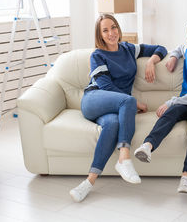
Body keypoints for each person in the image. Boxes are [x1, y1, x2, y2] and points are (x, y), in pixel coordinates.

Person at [70, 14, 167, 202]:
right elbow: (105, 86)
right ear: (99, 35)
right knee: (128, 101)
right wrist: (135, 103)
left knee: (113, 124)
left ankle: (88, 182)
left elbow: (160, 48)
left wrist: (150, 61)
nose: (111, 33)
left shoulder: (128, 49)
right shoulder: (97, 55)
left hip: (115, 108)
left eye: (113, 27)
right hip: (94, 99)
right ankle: (124, 157)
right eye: (105, 30)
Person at [134, 20, 187, 194]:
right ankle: (148, 146)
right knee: (170, 113)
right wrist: (174, 56)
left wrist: (170, 101)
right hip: (186, 101)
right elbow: (180, 48)